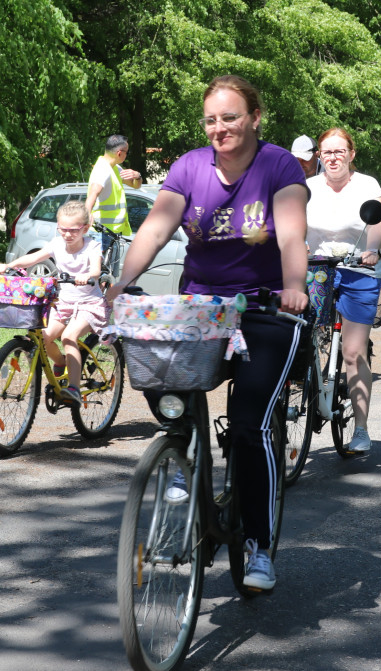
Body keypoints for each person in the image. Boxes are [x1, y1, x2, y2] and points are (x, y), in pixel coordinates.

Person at [107, 74, 308, 592]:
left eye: (231, 117)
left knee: (250, 422)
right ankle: (182, 460)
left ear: (255, 118)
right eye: (211, 119)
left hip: (266, 305)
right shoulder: (189, 167)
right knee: (165, 383)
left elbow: (290, 235)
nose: (220, 128)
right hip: (203, 307)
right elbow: (155, 228)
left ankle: (258, 543)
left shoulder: (278, 165)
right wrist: (122, 283)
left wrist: (292, 286)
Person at [305, 127, 381, 453]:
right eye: (327, 152)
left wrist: (374, 250)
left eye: (340, 151)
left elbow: (376, 225)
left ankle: (361, 429)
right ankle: (305, 390)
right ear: (319, 156)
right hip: (315, 269)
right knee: (298, 337)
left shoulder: (367, 185)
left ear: (351, 154)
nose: (333, 157)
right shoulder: (306, 188)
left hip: (358, 271)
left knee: (353, 352)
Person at [0, 201, 107, 406]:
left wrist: (87, 275)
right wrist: (10, 265)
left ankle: (73, 388)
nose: (67, 234)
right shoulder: (57, 244)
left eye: (73, 230)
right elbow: (33, 258)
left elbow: (96, 271)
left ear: (85, 228)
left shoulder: (92, 245)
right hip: (64, 303)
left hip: (89, 304)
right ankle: (61, 362)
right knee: (43, 337)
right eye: (62, 229)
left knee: (68, 336)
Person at [84, 134, 142, 238]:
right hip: (102, 233)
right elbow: (93, 193)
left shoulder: (115, 168)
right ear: (119, 153)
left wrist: (137, 176)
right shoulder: (103, 169)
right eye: (127, 152)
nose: (127, 155)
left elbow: (135, 186)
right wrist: (87, 213)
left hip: (111, 232)